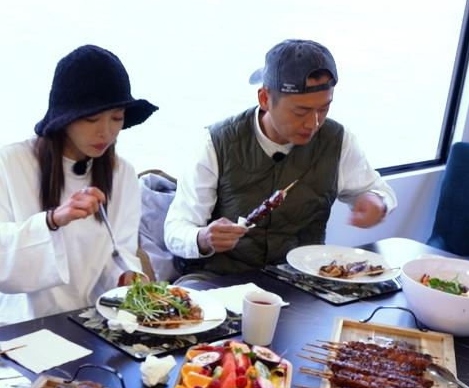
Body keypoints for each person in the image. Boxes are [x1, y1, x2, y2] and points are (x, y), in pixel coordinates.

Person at [0, 45, 158, 328]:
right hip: (14, 327)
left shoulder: (121, 172)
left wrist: (126, 277)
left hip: (84, 323)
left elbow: (119, 252)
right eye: (92, 119)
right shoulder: (11, 162)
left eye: (117, 117)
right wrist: (52, 221)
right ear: (65, 117)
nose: (106, 132)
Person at [163, 38, 395, 275]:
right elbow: (176, 230)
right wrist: (203, 237)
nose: (314, 123)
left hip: (302, 281)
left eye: (324, 109)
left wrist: (377, 202)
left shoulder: (339, 141)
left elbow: (380, 192)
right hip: (220, 280)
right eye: (300, 111)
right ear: (264, 98)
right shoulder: (215, 143)